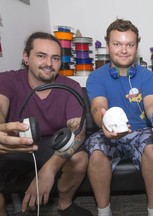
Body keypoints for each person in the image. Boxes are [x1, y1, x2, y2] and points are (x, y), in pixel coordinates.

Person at [84, 19, 153, 216]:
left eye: (130, 44)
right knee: (96, 154)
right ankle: (104, 211)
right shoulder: (96, 76)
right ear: (108, 45)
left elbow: (152, 104)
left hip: (141, 132)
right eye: (117, 44)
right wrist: (103, 121)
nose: (124, 50)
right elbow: (97, 106)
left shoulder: (148, 76)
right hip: (110, 131)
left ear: (137, 46)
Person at [0, 32, 92, 216]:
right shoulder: (7, 80)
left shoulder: (71, 87)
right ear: (26, 57)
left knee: (79, 158)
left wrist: (49, 170)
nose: (49, 64)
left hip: (50, 146)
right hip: (14, 146)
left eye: (55, 58)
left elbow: (78, 132)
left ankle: (65, 205)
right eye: (41, 56)